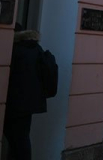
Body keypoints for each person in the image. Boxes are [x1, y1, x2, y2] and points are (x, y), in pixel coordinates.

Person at [4, 26, 56, 160]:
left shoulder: (15, 50)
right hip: (29, 102)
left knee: (17, 140)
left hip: (14, 101)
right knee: (20, 138)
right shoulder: (35, 48)